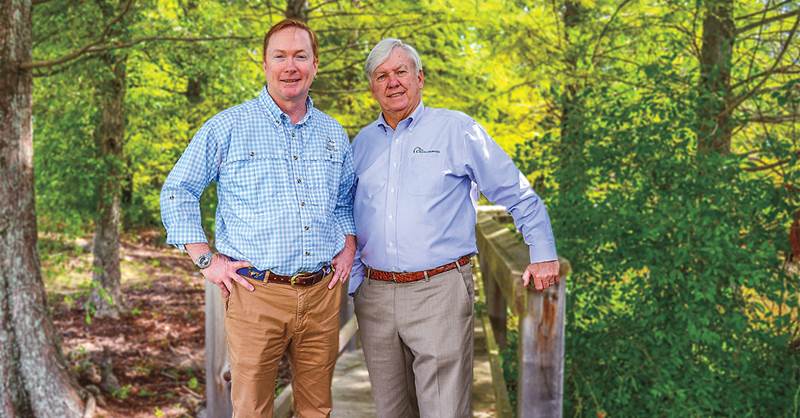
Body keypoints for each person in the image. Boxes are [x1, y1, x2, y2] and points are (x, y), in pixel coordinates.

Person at [349, 38, 561, 418]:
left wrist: (542, 253)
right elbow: (344, 216)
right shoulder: (361, 144)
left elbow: (516, 192)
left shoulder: (456, 130)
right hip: (375, 296)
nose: (393, 82)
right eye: (382, 75)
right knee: (390, 411)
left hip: (439, 291)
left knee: (444, 411)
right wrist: (352, 279)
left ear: (420, 78)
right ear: (372, 87)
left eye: (401, 72)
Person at [160, 19, 356, 418]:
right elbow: (179, 190)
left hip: (321, 294)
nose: (290, 66)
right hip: (255, 295)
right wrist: (205, 260)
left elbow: (345, 202)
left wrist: (349, 246)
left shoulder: (335, 134)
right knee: (252, 410)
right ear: (265, 65)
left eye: (300, 56)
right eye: (280, 56)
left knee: (318, 409)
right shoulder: (228, 126)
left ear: (315, 65)